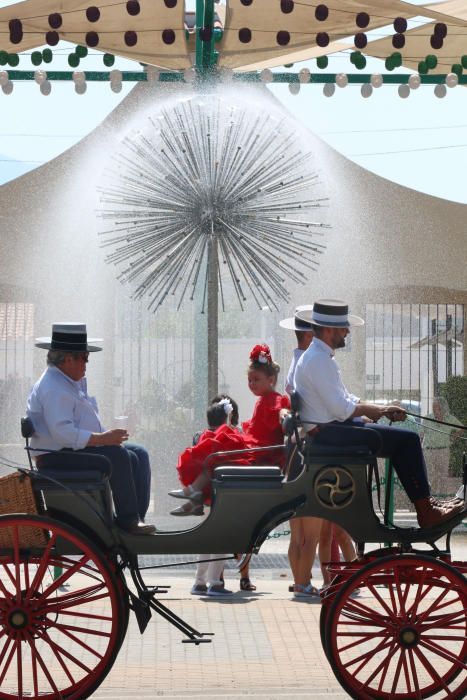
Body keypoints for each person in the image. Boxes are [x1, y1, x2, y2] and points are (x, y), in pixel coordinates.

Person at [293, 300, 464, 529]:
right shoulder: (318, 360)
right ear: (329, 330)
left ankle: (427, 504)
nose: (348, 332)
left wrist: (378, 409)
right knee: (408, 440)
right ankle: (426, 510)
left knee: (403, 439)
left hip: (331, 431)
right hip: (331, 433)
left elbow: (347, 400)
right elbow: (341, 408)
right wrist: (379, 410)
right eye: (343, 327)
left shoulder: (318, 357)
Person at [26, 322, 155, 536]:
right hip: (55, 457)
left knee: (139, 453)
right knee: (119, 456)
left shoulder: (66, 381)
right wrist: (104, 439)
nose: (86, 364)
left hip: (69, 451)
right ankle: (129, 519)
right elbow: (63, 434)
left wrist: (107, 437)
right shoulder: (53, 387)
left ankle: (135, 520)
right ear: (68, 359)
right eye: (84, 358)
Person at [169, 344, 290, 515]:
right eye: (250, 380)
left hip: (262, 454)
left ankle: (195, 494)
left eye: (256, 379)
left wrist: (285, 414)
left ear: (270, 379)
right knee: (214, 443)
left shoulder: (276, 399)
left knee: (220, 443)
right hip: (255, 448)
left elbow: (282, 410)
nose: (252, 384)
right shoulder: (264, 399)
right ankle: (195, 498)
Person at [280, 305, 322, 597]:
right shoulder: (308, 364)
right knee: (312, 534)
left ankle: (299, 581)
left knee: (297, 532)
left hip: (292, 451)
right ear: (308, 336)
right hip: (308, 449)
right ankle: (304, 582)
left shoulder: (293, 364)